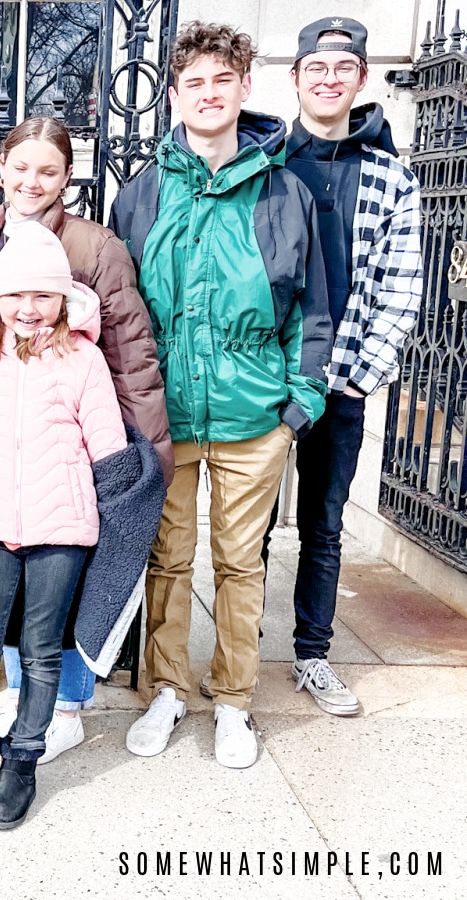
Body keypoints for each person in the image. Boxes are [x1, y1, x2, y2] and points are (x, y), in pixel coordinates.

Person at [109, 22, 332, 769]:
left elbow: (314, 308)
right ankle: (167, 689)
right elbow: (120, 308)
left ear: (244, 89)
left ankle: (234, 700)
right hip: (166, 413)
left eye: (222, 80)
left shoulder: (284, 191)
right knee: (165, 560)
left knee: (241, 564)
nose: (209, 94)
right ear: (175, 96)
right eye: (194, 82)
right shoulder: (142, 194)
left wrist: (299, 404)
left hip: (253, 414)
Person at [0, 115, 170, 764]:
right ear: (1, 169)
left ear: (67, 176)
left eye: (47, 170)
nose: (31, 181)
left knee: (58, 595)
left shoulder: (96, 248)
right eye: (20, 167)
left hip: (72, 434)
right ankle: (19, 706)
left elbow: (130, 356)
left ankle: (65, 707)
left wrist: (143, 455)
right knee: (2, 595)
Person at [0, 223, 127, 832]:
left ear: (62, 299)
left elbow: (108, 448)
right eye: (17, 295)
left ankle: (23, 760)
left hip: (60, 530)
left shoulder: (84, 359)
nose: (29, 308)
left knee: (43, 652)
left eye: (42, 296)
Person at [273, 17, 423, 715]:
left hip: (340, 383)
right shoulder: (266, 163)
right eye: (315, 67)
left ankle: (312, 652)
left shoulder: (391, 177)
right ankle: (225, 656)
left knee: (322, 525)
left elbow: (402, 287)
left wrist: (365, 374)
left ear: (361, 79)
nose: (328, 79)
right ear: (296, 77)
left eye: (342, 68)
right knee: (242, 531)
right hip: (266, 379)